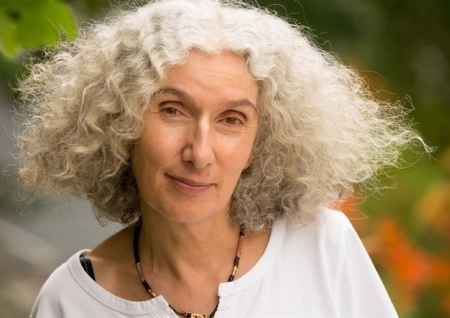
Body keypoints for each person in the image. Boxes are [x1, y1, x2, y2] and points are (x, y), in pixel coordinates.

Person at [16, 0, 428, 317]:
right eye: (173, 110)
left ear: (260, 142)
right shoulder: (69, 301)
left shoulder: (322, 246)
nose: (200, 152)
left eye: (232, 119)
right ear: (122, 122)